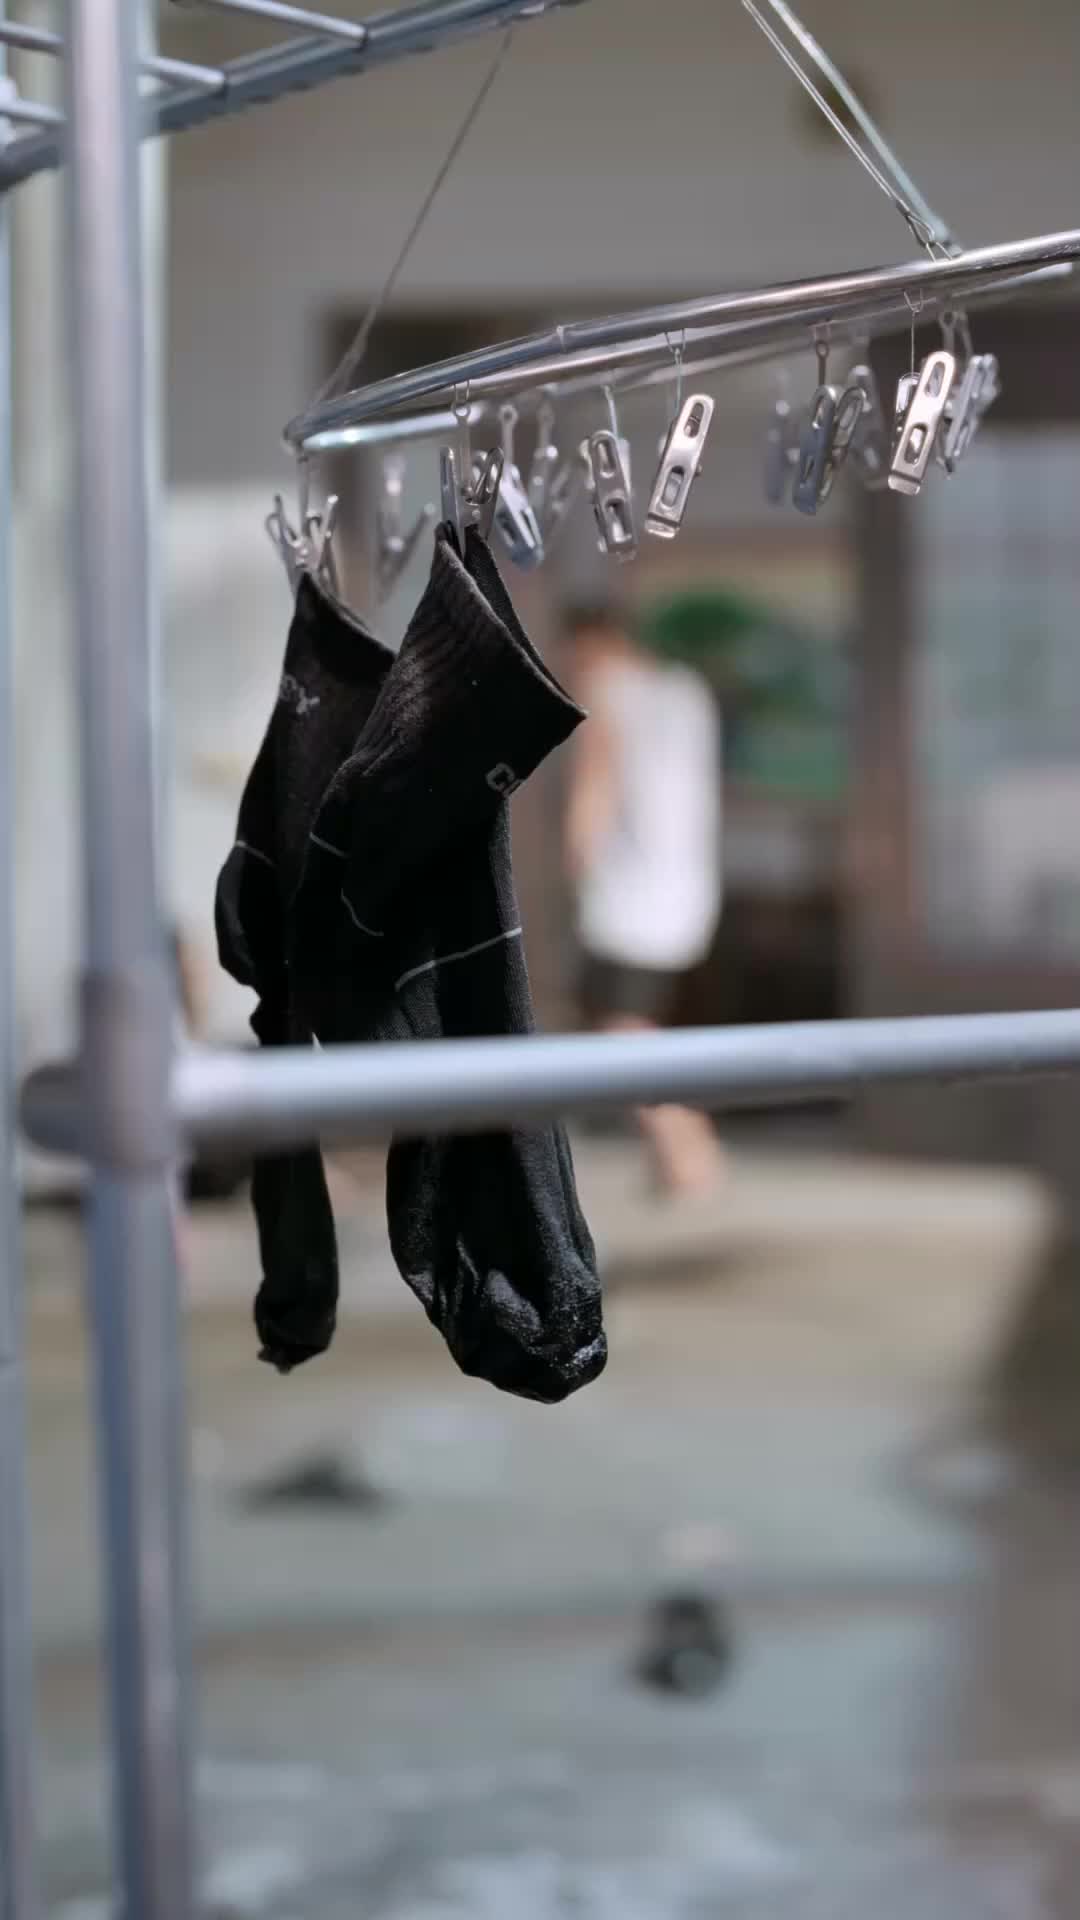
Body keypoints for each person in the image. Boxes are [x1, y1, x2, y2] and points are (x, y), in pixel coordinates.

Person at [562, 602, 724, 1196]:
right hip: (688, 892)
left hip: (627, 898)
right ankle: (674, 1157)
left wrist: (575, 862)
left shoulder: (606, 692)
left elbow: (593, 790)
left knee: (622, 1030)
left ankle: (688, 1147)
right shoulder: (686, 691)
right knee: (638, 1024)